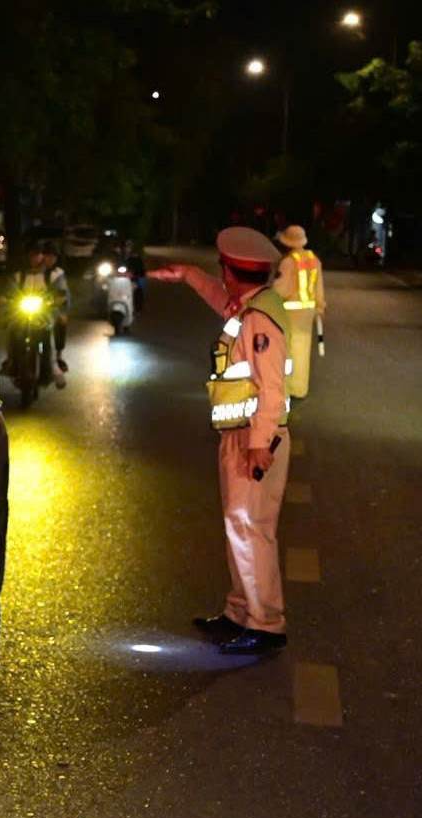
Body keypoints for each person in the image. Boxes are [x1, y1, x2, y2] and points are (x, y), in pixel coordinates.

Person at [149, 227, 291, 655]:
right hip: (240, 435)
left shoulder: (260, 321)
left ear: (230, 272)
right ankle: (239, 613)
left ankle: (265, 624)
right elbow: (220, 300)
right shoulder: (251, 309)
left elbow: (272, 390)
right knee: (240, 529)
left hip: (254, 439)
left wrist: (260, 446)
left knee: (252, 531)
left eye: (221, 271)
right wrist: (190, 275)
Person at [273, 225, 325, 400]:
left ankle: (286, 388)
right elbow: (319, 287)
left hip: (290, 312)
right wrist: (320, 307)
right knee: (302, 351)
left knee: (287, 351)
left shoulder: (288, 262)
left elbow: (281, 289)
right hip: (308, 311)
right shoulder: (314, 259)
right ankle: (300, 388)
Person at [9, 242, 70, 385]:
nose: (35, 258)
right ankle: (12, 362)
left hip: (46, 313)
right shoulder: (20, 275)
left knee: (50, 335)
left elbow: (61, 291)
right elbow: (10, 290)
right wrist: (4, 299)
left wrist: (58, 302)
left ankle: (54, 368)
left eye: (38, 254)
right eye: (32, 255)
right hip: (23, 313)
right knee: (12, 329)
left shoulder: (53, 274)